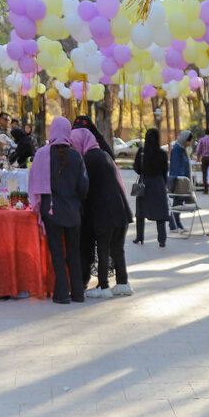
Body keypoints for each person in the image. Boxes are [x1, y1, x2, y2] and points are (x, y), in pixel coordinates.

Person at [29, 116, 89, 304]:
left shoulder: (42, 154)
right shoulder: (77, 155)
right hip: (73, 212)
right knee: (73, 253)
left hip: (51, 210)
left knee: (57, 254)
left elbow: (33, 183)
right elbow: (84, 186)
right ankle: (78, 293)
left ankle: (62, 294)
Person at [72, 127, 133, 298]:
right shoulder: (104, 155)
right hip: (121, 210)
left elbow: (84, 188)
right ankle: (123, 283)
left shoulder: (88, 160)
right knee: (117, 249)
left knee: (104, 249)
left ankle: (103, 286)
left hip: (105, 212)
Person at [132, 127, 170, 247]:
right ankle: (162, 239)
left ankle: (139, 237)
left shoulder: (142, 152)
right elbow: (165, 171)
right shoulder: (162, 154)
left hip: (145, 184)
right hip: (158, 184)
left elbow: (137, 168)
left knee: (141, 211)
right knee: (160, 212)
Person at [167, 129, 193, 231]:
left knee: (179, 203)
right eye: (189, 140)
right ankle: (173, 224)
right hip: (179, 181)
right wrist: (181, 181)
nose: (190, 142)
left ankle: (176, 223)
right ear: (185, 139)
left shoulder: (183, 149)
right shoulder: (177, 149)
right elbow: (177, 166)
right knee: (177, 203)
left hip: (183, 182)